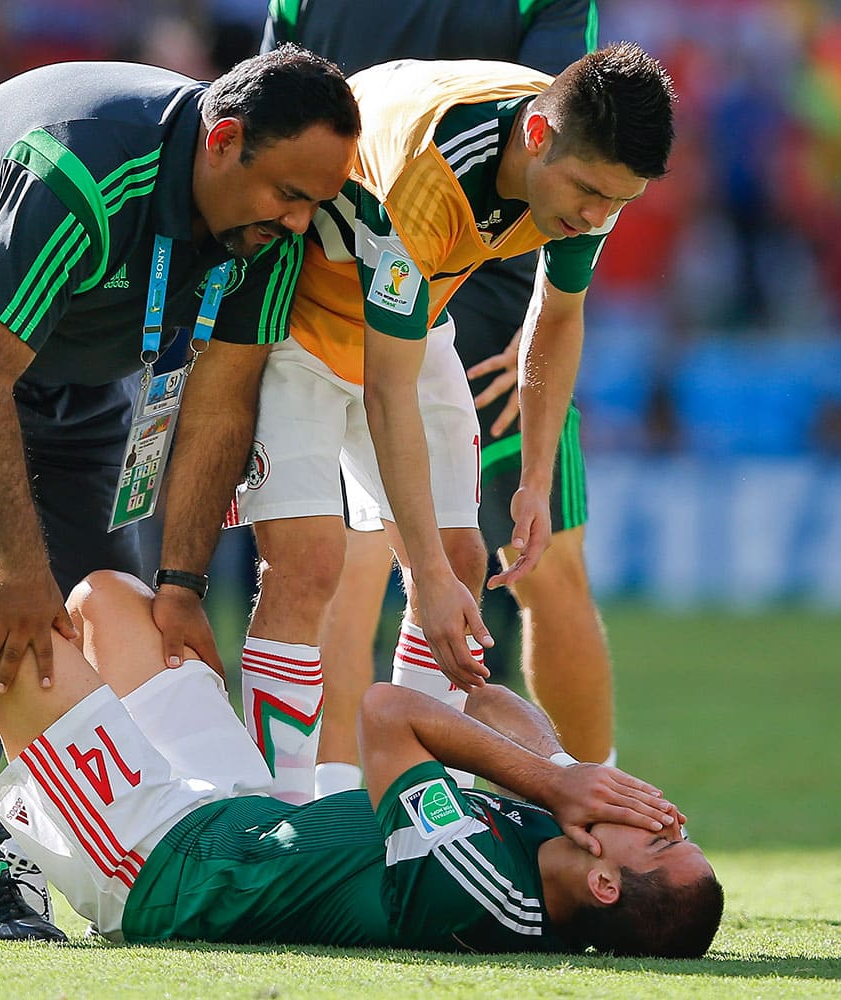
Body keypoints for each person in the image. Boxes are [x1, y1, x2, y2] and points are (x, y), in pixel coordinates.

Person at [0, 46, 359, 937]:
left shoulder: (269, 228)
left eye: (318, 199)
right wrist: (13, 566)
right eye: (290, 195)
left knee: (93, 598)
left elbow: (220, 401)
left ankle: (69, 841)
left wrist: (185, 582)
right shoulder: (87, 171)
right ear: (223, 141)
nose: (303, 221)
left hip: (86, 351)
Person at [0, 570, 722, 958]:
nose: (662, 814)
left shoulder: (487, 893)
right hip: (238, 810)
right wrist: (572, 770)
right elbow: (494, 704)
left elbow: (395, 712)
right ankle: (21, 864)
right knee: (107, 599)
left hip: (168, 865)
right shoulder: (557, 844)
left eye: (660, 838)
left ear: (602, 879)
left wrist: (556, 780)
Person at [228, 39, 675, 802]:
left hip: (412, 310)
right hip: (295, 317)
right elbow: (385, 393)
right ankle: (287, 818)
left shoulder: (578, 160)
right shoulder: (426, 183)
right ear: (537, 137)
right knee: (307, 569)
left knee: (464, 562)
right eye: (590, 194)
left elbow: (557, 315)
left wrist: (534, 479)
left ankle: (405, 794)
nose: (598, 217)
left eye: (618, 203)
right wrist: (422, 572)